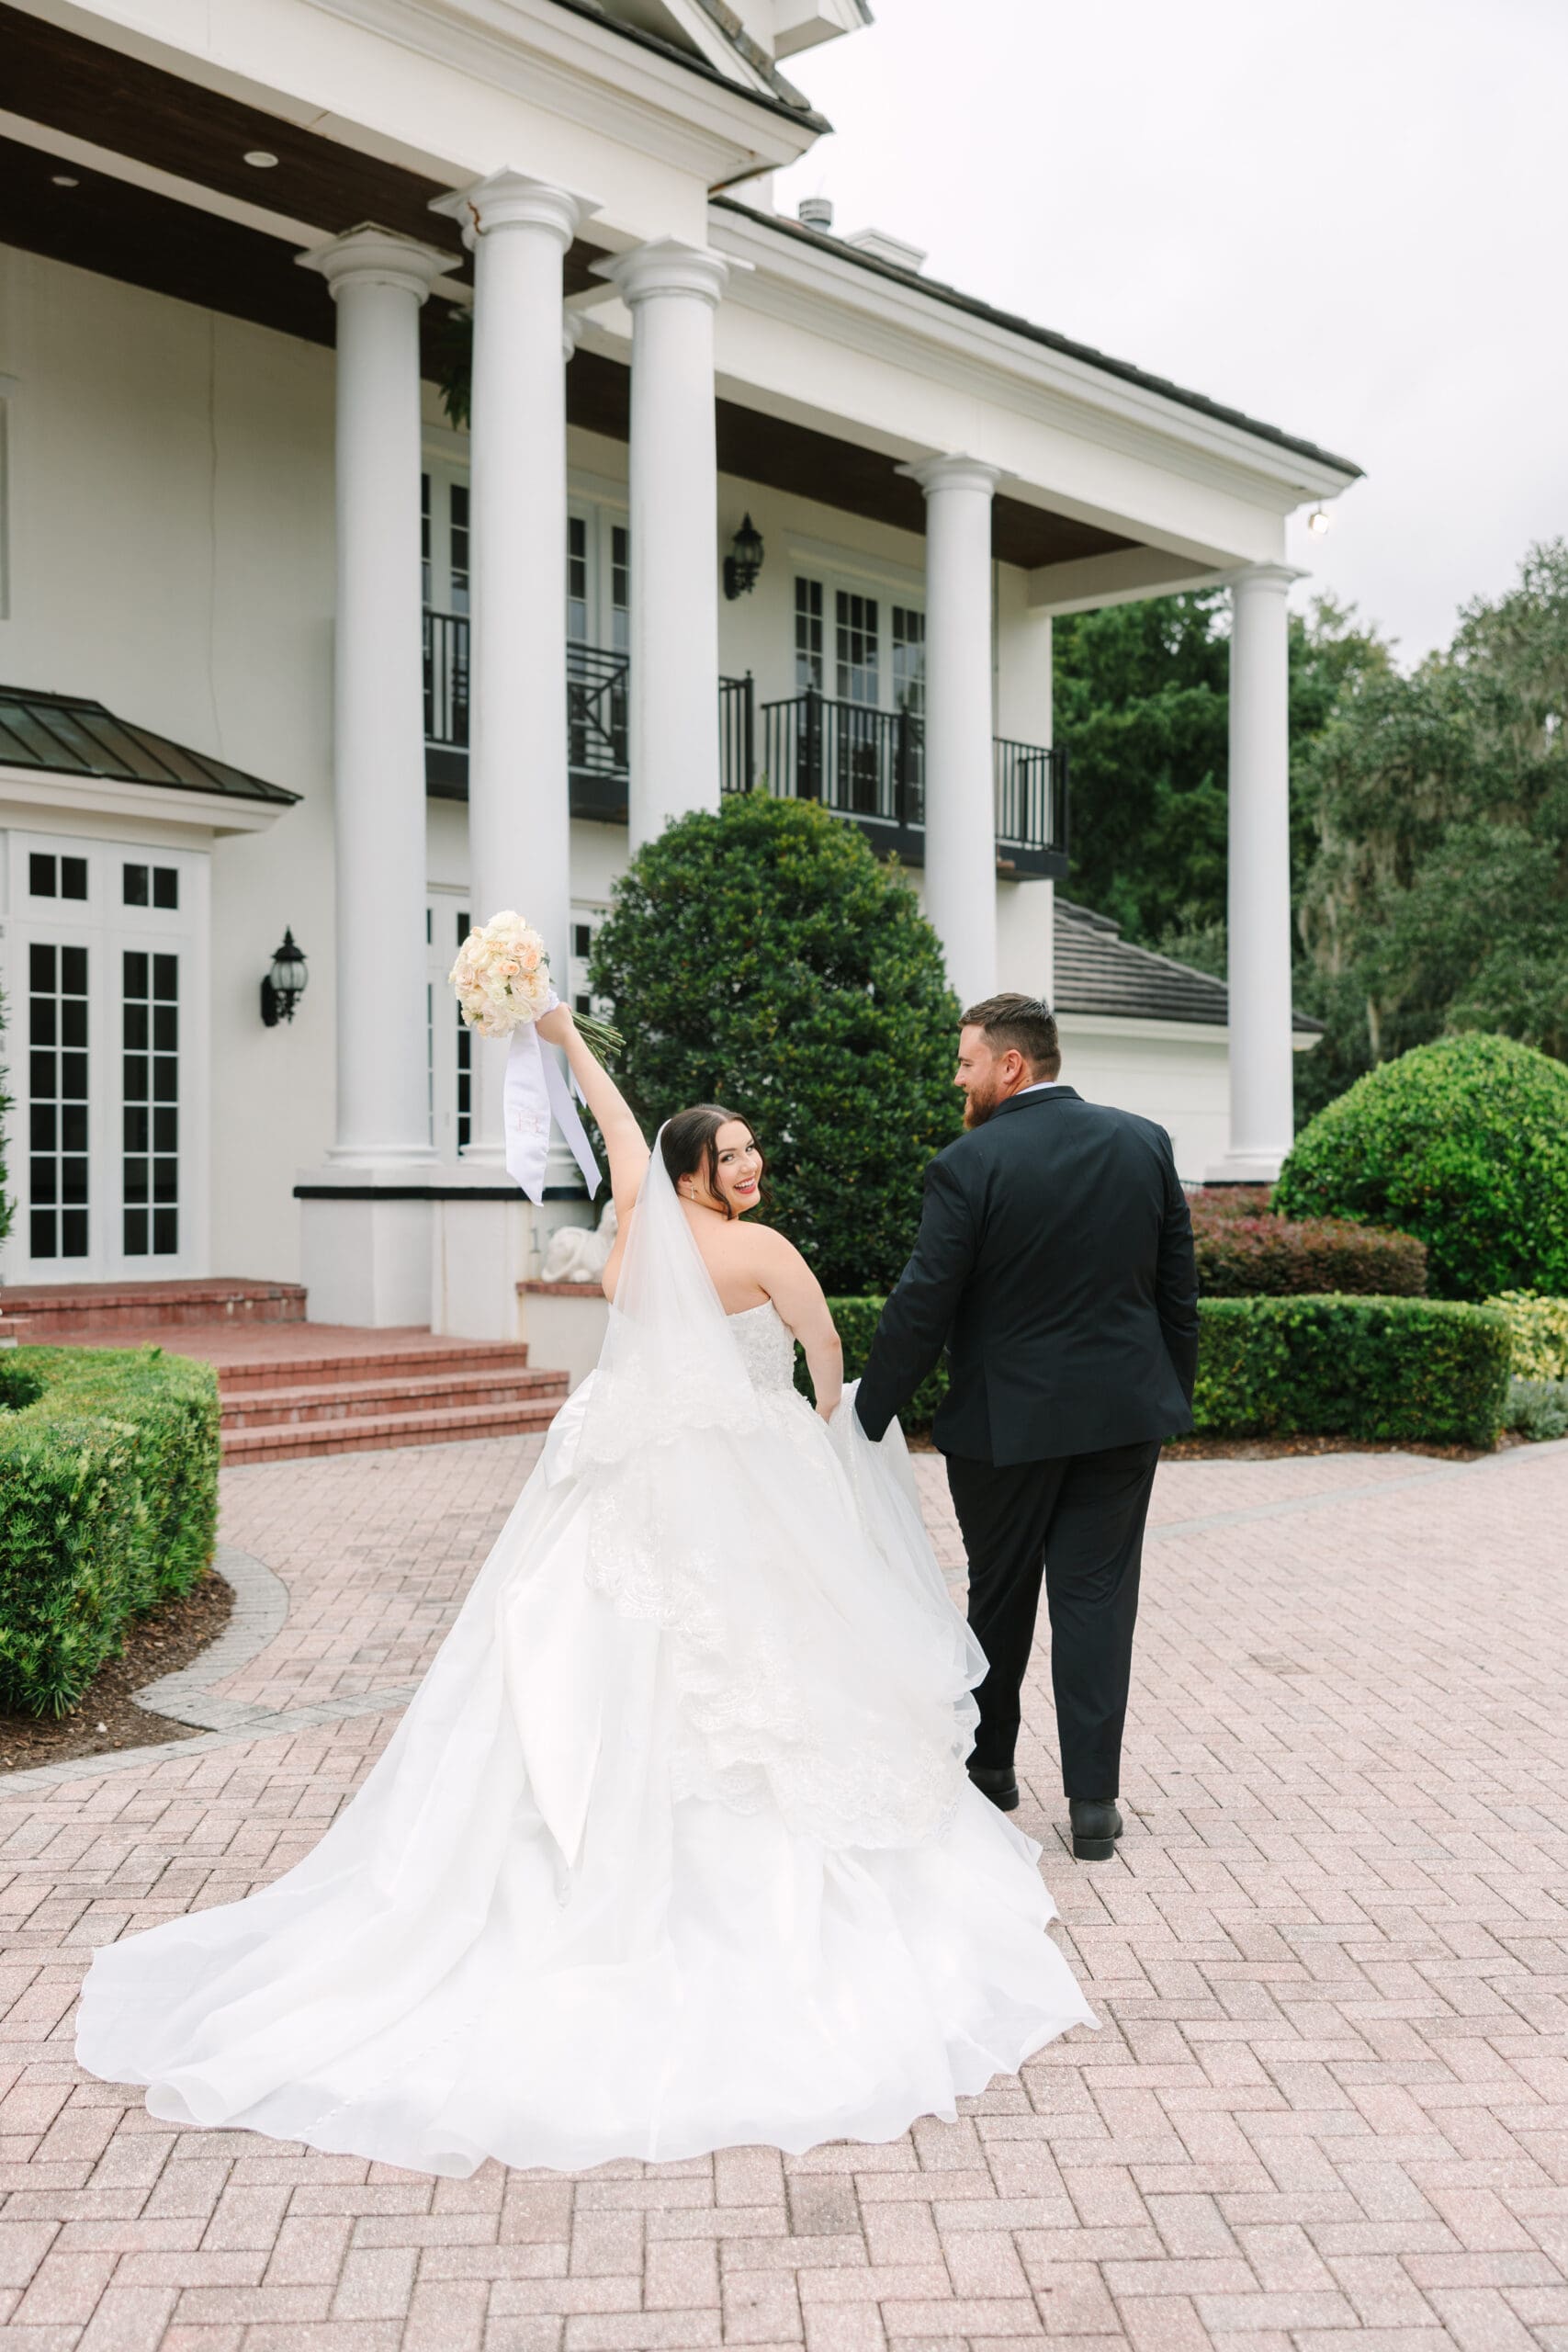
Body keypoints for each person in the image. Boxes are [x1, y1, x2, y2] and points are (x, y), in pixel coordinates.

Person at [75, 1004, 1094, 2178]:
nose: (755, 1164)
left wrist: (562, 1034)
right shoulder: (762, 1255)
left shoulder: (636, 1235)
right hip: (740, 1477)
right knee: (758, 1665)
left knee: (577, 1651)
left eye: (756, 1149)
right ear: (701, 1175)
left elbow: (617, 1123)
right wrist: (807, 1442)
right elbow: (823, 1355)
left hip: (620, 1476)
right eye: (737, 1153)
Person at [855, 994, 1199, 1861]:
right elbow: (1177, 1295)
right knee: (1096, 1603)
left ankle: (991, 1774)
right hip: (1123, 1419)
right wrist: (1164, 1397)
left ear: (1011, 1066)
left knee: (998, 1602)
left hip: (1004, 1430)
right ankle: (1093, 1806)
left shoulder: (968, 1164)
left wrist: (864, 1416)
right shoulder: (1143, 1142)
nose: (957, 1078)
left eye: (966, 1062)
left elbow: (921, 1304)